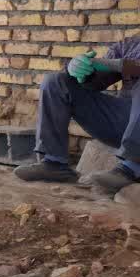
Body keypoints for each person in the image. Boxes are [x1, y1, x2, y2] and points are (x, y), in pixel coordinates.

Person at [14, 42, 140, 193]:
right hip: (123, 123)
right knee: (55, 81)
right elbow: (96, 83)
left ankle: (129, 169)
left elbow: (122, 65)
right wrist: (82, 70)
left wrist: (116, 64)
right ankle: (54, 163)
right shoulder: (129, 46)